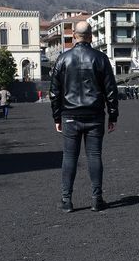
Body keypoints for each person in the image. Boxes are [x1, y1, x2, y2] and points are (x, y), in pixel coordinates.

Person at [50, 21, 119, 213]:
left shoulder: (63, 58)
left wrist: (57, 117)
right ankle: (97, 198)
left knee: (69, 157)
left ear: (74, 36)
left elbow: (54, 92)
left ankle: (66, 200)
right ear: (91, 36)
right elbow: (111, 90)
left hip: (70, 115)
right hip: (95, 115)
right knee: (94, 156)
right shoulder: (101, 58)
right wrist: (113, 115)